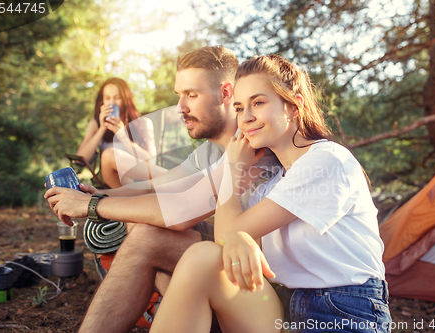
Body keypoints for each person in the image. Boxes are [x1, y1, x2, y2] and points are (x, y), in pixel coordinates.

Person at [45, 46, 280, 333]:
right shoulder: (210, 151)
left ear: (226, 94)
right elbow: (159, 186)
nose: (180, 106)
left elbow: (180, 211)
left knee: (149, 233)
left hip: (265, 285)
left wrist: (91, 207)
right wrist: (94, 195)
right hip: (233, 266)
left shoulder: (254, 144)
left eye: (191, 95)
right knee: (145, 228)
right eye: (178, 95)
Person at [149, 55, 392, 333]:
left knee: (206, 253)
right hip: (284, 310)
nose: (247, 117)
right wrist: (237, 237)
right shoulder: (271, 184)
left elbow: (227, 232)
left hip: (343, 311)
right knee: (202, 258)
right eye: (239, 108)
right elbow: (228, 239)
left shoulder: (327, 160)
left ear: (294, 105)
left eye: (259, 103)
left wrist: (232, 169)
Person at [77, 77, 166, 188]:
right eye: (107, 98)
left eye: (117, 97)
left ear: (126, 99)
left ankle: (141, 195)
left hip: (139, 180)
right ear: (102, 101)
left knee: (113, 156)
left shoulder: (143, 123)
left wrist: (123, 136)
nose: (112, 102)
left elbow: (151, 162)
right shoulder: (95, 124)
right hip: (113, 180)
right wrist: (102, 129)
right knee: (109, 154)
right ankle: (172, 178)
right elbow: (80, 159)